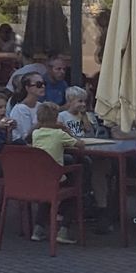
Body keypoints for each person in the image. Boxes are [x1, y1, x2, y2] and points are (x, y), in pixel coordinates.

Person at [28, 101, 79, 246]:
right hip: (55, 178)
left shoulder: (36, 134)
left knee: (48, 190)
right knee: (75, 188)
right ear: (56, 118)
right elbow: (79, 144)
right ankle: (64, 229)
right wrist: (66, 130)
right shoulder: (59, 134)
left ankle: (38, 229)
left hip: (39, 178)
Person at [7, 70, 48, 141]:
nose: (43, 86)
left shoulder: (41, 106)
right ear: (27, 88)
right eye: (39, 84)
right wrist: (41, 123)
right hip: (23, 145)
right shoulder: (20, 109)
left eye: (44, 83)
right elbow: (26, 137)